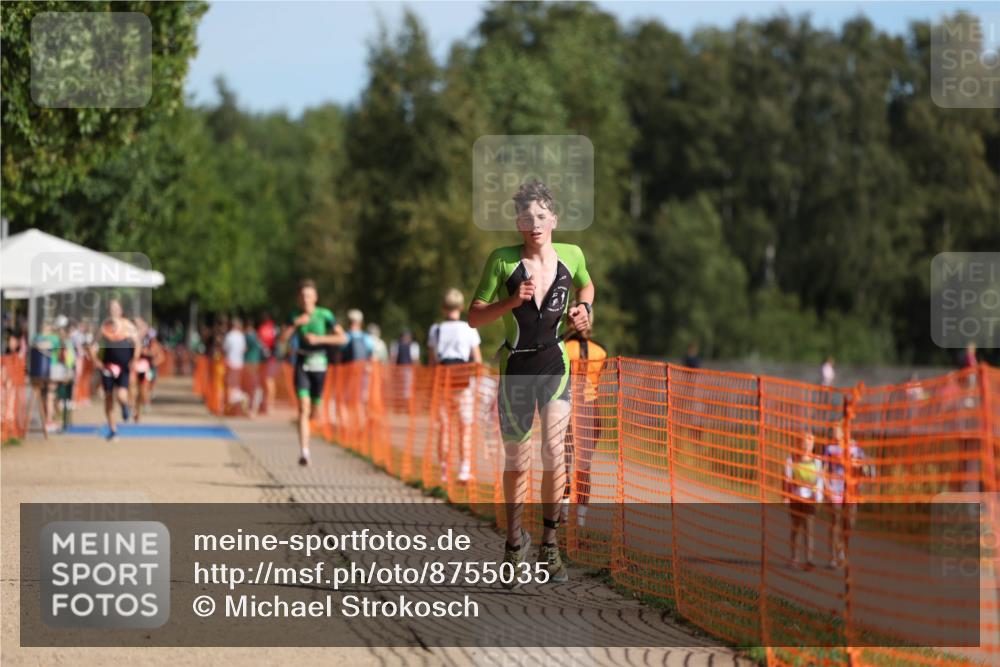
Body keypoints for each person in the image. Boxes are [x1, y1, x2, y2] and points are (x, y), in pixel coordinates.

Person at [469, 180, 594, 587]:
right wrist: (511, 302)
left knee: (555, 450)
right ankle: (512, 545)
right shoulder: (503, 261)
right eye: (526, 217)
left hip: (554, 363)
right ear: (518, 223)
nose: (534, 223)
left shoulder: (572, 255)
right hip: (516, 369)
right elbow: (475, 316)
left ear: (553, 219)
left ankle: (550, 544)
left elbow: (587, 285)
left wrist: (584, 309)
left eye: (541, 216)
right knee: (518, 463)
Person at [279, 280, 346, 466]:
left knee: (314, 412)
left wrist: (318, 339)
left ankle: (305, 426)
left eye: (308, 296)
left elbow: (342, 337)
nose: (305, 299)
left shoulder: (325, 315)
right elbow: (282, 339)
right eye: (302, 296)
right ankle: (304, 452)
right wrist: (295, 324)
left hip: (320, 365)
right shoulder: (294, 315)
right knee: (303, 408)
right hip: (301, 364)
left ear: (315, 297)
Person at [428, 288, 483, 484]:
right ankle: (464, 469)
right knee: (464, 427)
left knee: (444, 427)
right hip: (463, 382)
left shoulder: (435, 330)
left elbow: (433, 361)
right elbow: (476, 360)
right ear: (461, 306)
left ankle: (444, 471)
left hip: (443, 380)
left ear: (444, 307)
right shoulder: (469, 328)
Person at [563, 307, 608, 527]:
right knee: (585, 464)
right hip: (591, 409)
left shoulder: (563, 347)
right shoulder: (601, 351)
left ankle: (562, 511)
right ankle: (580, 518)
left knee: (564, 462)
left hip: (567, 408)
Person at [91, 299, 139, 441]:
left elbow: (137, 344)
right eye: (111, 308)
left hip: (124, 367)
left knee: (121, 396)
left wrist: (134, 359)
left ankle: (125, 407)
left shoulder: (128, 326)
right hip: (108, 367)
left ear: (120, 310)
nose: (114, 311)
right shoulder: (104, 327)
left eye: (116, 308)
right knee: (108, 398)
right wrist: (96, 360)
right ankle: (113, 430)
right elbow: (93, 345)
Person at [824, 425, 871, 568]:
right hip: (835, 489)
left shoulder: (854, 447)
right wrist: (827, 488)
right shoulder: (829, 448)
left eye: (835, 430)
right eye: (832, 431)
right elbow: (824, 470)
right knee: (836, 522)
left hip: (851, 491)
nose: (833, 433)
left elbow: (864, 466)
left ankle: (842, 550)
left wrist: (862, 469)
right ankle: (833, 556)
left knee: (849, 523)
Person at [784, 432, 824, 570]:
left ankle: (809, 559)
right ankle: (794, 557)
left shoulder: (817, 461)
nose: (807, 444)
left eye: (810, 441)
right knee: (796, 528)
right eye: (804, 441)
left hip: (810, 500)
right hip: (795, 499)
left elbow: (820, 481)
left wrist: (818, 498)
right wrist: (786, 497)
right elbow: (787, 480)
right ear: (799, 443)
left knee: (809, 529)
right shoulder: (791, 459)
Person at [30, 320, 61, 437]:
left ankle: (46, 419)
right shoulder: (54, 338)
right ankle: (48, 420)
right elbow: (57, 352)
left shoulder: (36, 337)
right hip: (51, 367)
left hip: (39, 369)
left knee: (43, 394)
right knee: (50, 395)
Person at [222, 318, 249, 414]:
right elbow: (244, 349)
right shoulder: (241, 336)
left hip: (230, 363)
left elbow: (225, 348)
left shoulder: (229, 336)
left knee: (230, 385)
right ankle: (238, 404)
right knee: (236, 385)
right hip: (239, 364)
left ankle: (231, 406)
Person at [390, 329, 420, 404]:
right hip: (400, 369)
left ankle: (405, 404)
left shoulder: (413, 345)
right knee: (402, 388)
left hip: (407, 369)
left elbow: (415, 360)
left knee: (406, 388)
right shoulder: (396, 345)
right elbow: (394, 358)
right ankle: (401, 403)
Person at [257, 313, 279, 414]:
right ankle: (268, 403)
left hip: (268, 359)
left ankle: (269, 404)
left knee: (268, 381)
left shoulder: (265, 329)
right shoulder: (274, 328)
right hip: (270, 359)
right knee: (268, 381)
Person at [243, 319, 265, 414]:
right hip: (256, 362)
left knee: (251, 386)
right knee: (254, 386)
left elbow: (245, 348)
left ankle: (252, 408)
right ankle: (254, 407)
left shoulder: (248, 336)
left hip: (250, 362)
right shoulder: (257, 336)